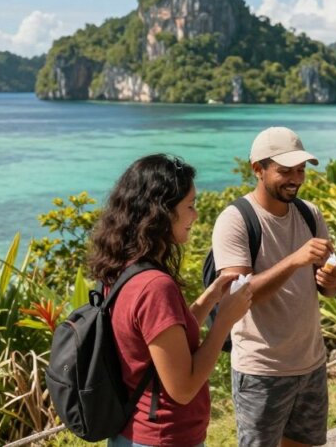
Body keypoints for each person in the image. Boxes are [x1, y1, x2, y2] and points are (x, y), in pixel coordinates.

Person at [88, 154, 253, 447]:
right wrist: (224, 321)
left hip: (132, 433)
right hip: (163, 437)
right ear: (161, 212)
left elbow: (162, 342)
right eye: (190, 206)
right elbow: (183, 388)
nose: (196, 216)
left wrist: (211, 296)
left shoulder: (122, 270)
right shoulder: (155, 287)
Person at [211, 126, 336, 447]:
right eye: (285, 170)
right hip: (261, 371)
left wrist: (333, 280)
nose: (296, 179)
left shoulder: (309, 213)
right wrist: (295, 260)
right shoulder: (236, 219)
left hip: (311, 363)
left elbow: (331, 283)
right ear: (257, 169)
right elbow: (240, 297)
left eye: (300, 170)